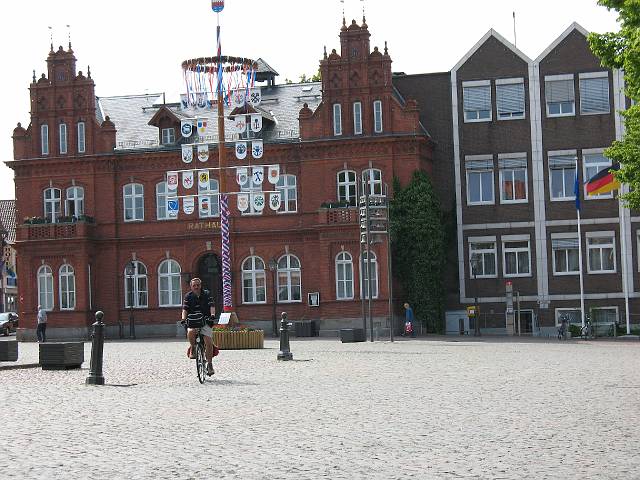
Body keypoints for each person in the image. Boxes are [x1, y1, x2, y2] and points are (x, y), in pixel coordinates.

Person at [182, 278, 216, 375]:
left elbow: (212, 306)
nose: (196, 287)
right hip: (193, 320)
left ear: (200, 285)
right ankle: (193, 348)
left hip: (205, 320)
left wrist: (212, 315)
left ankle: (210, 364)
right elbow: (185, 309)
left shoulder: (206, 294)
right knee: (190, 332)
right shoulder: (188, 296)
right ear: (191, 287)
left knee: (208, 342)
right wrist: (183, 319)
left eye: (198, 285)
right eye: (194, 285)